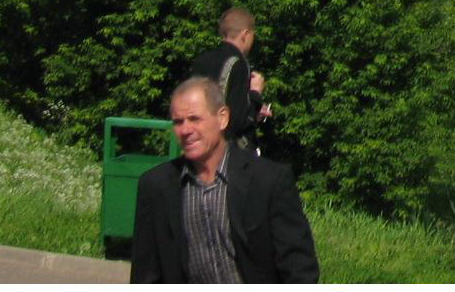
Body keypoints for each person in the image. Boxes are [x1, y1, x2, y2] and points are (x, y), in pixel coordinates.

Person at [130, 76, 318, 283]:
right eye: (178, 122)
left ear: (222, 118)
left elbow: (299, 268)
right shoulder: (156, 186)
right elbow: (145, 274)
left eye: (194, 119)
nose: (185, 130)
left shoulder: (268, 181)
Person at [187, 6, 270, 155]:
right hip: (229, 153)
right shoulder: (238, 64)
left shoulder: (201, 60)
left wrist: (254, 108)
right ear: (245, 34)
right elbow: (237, 121)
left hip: (200, 144)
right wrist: (256, 94)